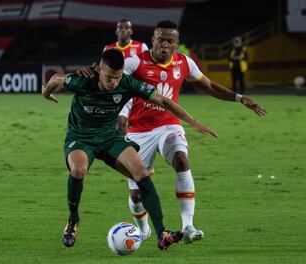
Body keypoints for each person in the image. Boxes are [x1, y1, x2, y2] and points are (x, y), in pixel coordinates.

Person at [78, 21, 266, 245]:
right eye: (160, 39)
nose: (164, 45)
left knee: (181, 159)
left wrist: (240, 98)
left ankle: (188, 226)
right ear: (153, 40)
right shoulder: (136, 62)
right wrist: (91, 71)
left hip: (168, 124)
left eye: (170, 41)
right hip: (137, 131)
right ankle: (144, 230)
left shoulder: (184, 62)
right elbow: (108, 73)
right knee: (137, 195)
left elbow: (210, 86)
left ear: (177, 43)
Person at [41, 49, 218, 250]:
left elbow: (163, 100)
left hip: (110, 138)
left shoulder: (127, 83)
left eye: (117, 78)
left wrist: (193, 122)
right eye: (109, 77)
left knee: (141, 173)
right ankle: (73, 220)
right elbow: (56, 79)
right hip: (81, 138)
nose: (113, 83)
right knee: (78, 170)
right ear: (99, 70)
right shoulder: (82, 81)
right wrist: (46, 93)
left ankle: (162, 234)